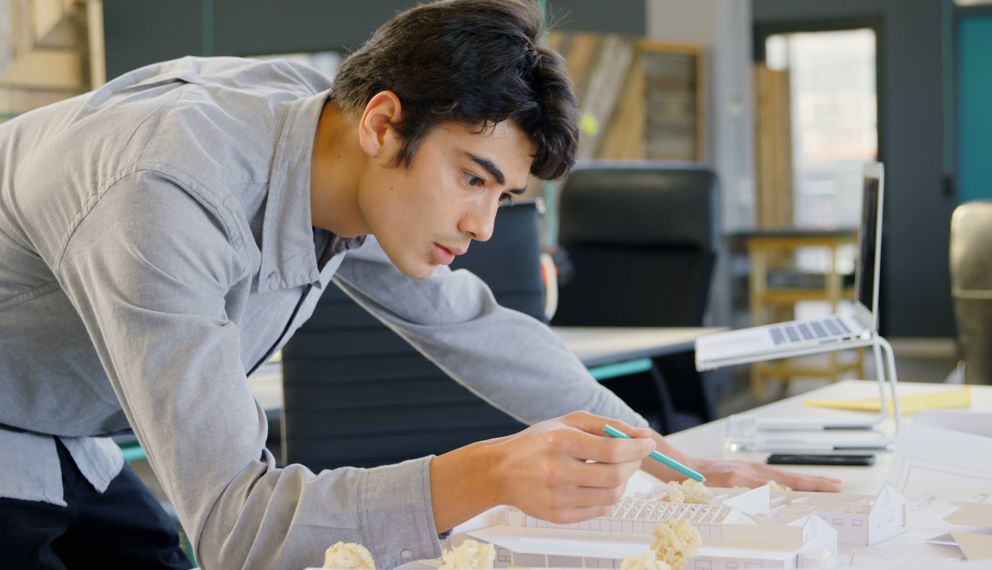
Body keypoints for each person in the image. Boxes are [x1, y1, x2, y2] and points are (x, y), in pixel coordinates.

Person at [0, 0, 840, 568]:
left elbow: (469, 325)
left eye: (501, 197)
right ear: (382, 122)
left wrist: (672, 462)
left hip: (57, 419)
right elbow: (237, 528)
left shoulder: (329, 140)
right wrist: (487, 474)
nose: (482, 227)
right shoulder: (168, 193)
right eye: (471, 179)